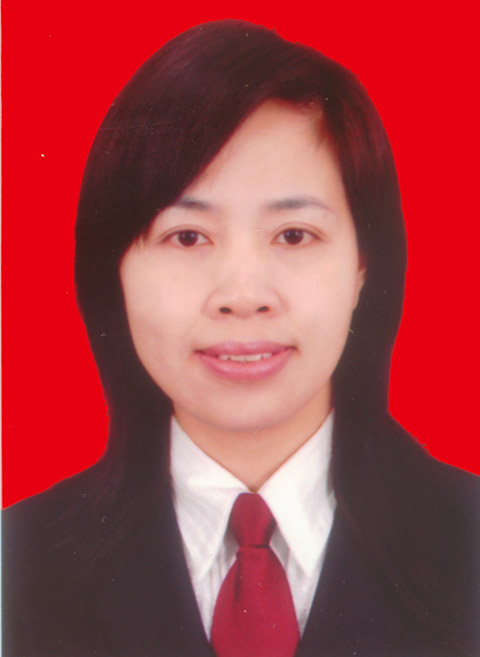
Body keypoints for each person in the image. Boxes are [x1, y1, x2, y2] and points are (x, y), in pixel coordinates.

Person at [3, 19, 479, 657]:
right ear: (113, 272)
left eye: (294, 235)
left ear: (364, 266)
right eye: (187, 237)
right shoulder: (17, 566)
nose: (244, 294)